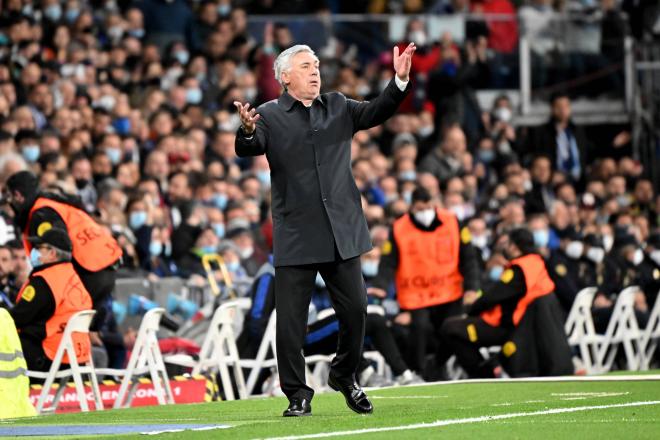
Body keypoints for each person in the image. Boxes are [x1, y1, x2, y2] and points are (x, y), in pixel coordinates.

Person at [234, 42, 416, 417]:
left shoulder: (338, 106)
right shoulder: (267, 114)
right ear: (286, 77)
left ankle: (344, 375)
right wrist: (249, 131)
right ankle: (297, 393)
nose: (315, 70)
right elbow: (250, 147)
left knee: (357, 310)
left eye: (316, 64)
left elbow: (377, 111)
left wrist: (398, 80)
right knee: (290, 324)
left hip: (339, 231)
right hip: (297, 234)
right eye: (306, 66)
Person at [367, 187, 481, 378]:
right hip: (416, 295)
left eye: (428, 207)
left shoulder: (453, 222)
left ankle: (440, 366)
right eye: (420, 209)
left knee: (451, 332)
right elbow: (388, 261)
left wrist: (472, 287)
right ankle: (417, 372)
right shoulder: (399, 228)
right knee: (418, 332)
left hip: (449, 292)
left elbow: (469, 258)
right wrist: (380, 285)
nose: (425, 212)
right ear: (412, 207)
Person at [3, 171, 121, 329]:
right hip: (104, 268)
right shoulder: (55, 204)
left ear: (18, 195)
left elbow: (55, 255)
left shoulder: (41, 214)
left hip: (87, 272)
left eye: (10, 196)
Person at [441, 228, 555, 378]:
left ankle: (484, 375)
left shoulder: (519, 270)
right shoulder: (536, 264)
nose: (505, 247)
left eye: (507, 243)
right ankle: (490, 368)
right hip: (521, 327)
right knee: (456, 329)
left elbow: (492, 297)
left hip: (505, 327)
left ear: (514, 247)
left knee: (450, 328)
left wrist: (470, 308)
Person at [9, 228, 93, 372]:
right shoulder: (74, 278)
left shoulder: (44, 281)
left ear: (52, 253)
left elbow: (17, 317)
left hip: (48, 357)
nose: (34, 252)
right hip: (75, 358)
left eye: (39, 248)